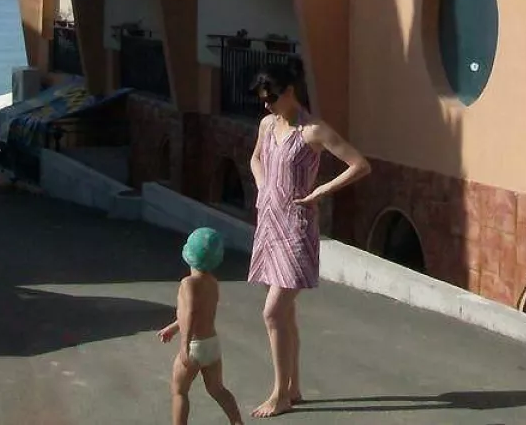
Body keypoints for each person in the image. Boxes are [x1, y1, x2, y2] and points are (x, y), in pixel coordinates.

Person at [247, 59, 370, 418]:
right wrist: (262, 186)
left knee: (273, 312)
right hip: (269, 223)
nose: (266, 105)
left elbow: (360, 164)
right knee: (285, 314)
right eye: (262, 99)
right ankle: (293, 387)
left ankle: (279, 394)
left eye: (271, 97)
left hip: (297, 228)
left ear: (290, 91)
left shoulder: (313, 131)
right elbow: (256, 159)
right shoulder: (267, 125)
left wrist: (320, 192)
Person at [157, 228, 243, 425]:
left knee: (179, 391)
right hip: (211, 344)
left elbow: (190, 313)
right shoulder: (213, 283)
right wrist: (173, 327)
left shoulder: (188, 283)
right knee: (217, 389)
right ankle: (237, 422)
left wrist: (184, 346)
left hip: (194, 346)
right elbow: (200, 313)